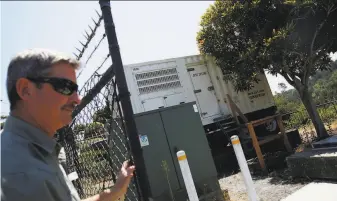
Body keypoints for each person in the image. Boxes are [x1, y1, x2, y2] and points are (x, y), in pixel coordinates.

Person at [1, 48, 136, 201]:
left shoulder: (35, 152)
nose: (77, 99)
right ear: (25, 90)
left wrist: (115, 192)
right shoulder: (18, 174)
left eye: (75, 89)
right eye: (65, 87)